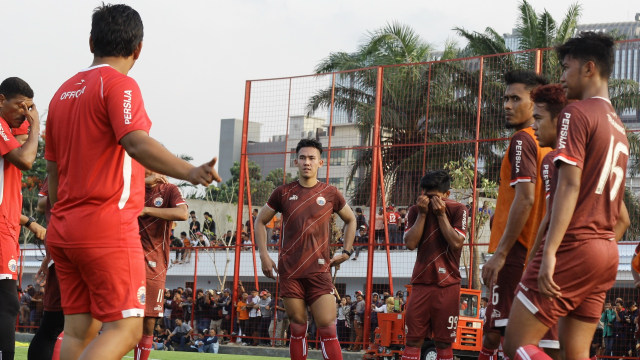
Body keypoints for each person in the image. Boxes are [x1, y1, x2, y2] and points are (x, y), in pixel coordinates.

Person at [44, 5, 221, 360]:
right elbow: (135, 141)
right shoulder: (120, 84)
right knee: (126, 330)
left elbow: (52, 174)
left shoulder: (61, 94)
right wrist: (189, 172)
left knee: (79, 333)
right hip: (106, 226)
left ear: (91, 41)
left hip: (63, 227)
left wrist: (62, 217)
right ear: (138, 49)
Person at [503, 32, 631, 360]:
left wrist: (549, 254)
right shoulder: (619, 127)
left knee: (515, 344)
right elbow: (620, 215)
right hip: (605, 253)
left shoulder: (577, 114)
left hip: (574, 245)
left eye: (566, 67)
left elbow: (570, 187)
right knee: (576, 354)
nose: (561, 75)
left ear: (588, 69)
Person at [255, 138, 356, 360]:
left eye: (311, 158)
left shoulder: (330, 193)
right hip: (290, 271)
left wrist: (346, 252)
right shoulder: (282, 192)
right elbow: (260, 221)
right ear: (295, 161)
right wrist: (263, 255)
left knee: (328, 328)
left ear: (321, 162)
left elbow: (351, 219)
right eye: (302, 158)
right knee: (298, 328)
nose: (306, 162)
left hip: (319, 271)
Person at [479, 69, 550, 360]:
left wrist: (501, 254)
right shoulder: (553, 142)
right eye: (505, 98)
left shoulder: (522, 140)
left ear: (535, 102)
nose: (506, 105)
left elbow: (525, 199)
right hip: (541, 250)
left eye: (515, 98)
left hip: (518, 250)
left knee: (502, 333)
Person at [400, 170, 467, 360]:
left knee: (444, 342)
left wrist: (440, 215)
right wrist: (422, 214)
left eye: (435, 197)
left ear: (447, 195)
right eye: (426, 195)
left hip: (448, 284)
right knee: (412, 340)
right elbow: (410, 244)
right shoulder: (415, 210)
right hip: (421, 282)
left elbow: (456, 243)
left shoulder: (458, 209)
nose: (430, 201)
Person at [0, 76, 40, 360]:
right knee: (8, 303)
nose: (25, 113)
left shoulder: (10, 126)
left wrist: (29, 223)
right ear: (1, 100)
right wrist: (36, 127)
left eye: (30, 108)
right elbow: (26, 158)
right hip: (1, 228)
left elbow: (26, 144)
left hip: (10, 225)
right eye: (20, 106)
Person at [134, 170, 188, 360]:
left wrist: (147, 210)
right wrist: (141, 183)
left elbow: (183, 213)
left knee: (149, 321)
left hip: (155, 264)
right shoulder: (131, 186)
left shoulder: (169, 190)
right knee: (121, 319)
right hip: (127, 258)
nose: (149, 168)